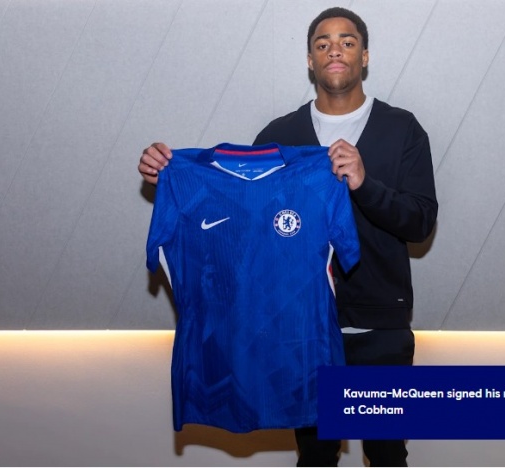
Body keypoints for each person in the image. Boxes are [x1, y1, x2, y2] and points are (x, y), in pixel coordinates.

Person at [138, 7, 438, 466]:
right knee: (315, 455)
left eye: (347, 41)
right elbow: (240, 224)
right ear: (310, 60)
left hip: (377, 326)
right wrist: (174, 180)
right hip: (299, 326)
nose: (334, 50)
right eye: (322, 43)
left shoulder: (402, 129)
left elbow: (420, 221)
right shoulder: (280, 135)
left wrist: (364, 184)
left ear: (364, 56)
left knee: (386, 453)